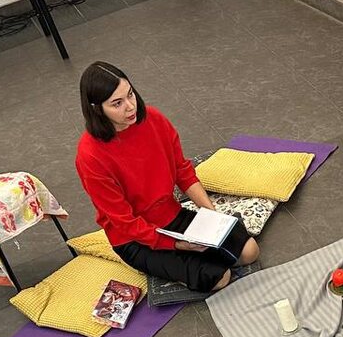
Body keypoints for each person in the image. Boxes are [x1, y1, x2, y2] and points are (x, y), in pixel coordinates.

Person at [74, 61, 259, 293]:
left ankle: (190, 261)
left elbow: (182, 170)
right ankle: (172, 269)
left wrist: (212, 215)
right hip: (134, 239)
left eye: (130, 94)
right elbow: (124, 222)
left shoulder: (153, 118)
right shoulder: (90, 156)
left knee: (250, 251)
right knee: (219, 278)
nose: (130, 107)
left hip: (171, 215)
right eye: (117, 103)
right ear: (97, 109)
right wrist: (176, 244)